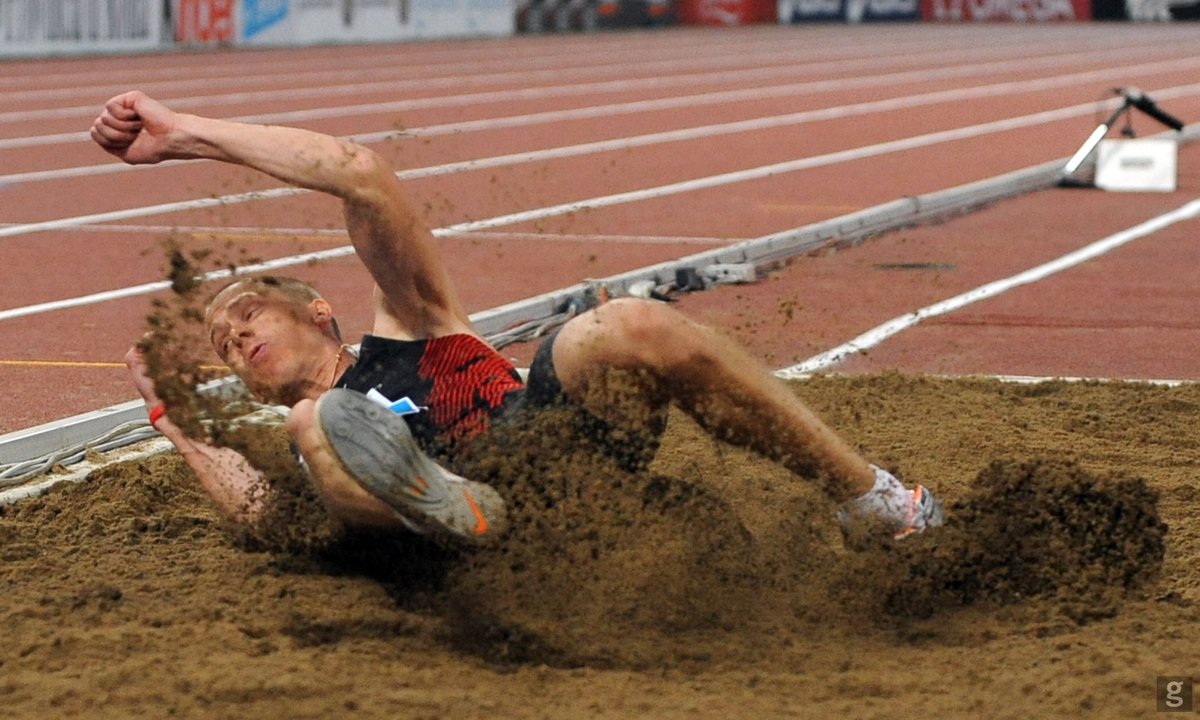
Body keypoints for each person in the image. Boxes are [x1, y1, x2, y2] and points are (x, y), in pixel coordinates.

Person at [93, 90, 943, 546]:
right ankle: (458, 512)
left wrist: (186, 135)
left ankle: (872, 501)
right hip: (450, 552)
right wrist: (168, 416)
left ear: (319, 310)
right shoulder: (288, 438)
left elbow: (359, 172)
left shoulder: (414, 326)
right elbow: (260, 518)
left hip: (549, 456)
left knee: (616, 326)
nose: (236, 333)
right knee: (323, 424)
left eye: (246, 310)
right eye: (225, 346)